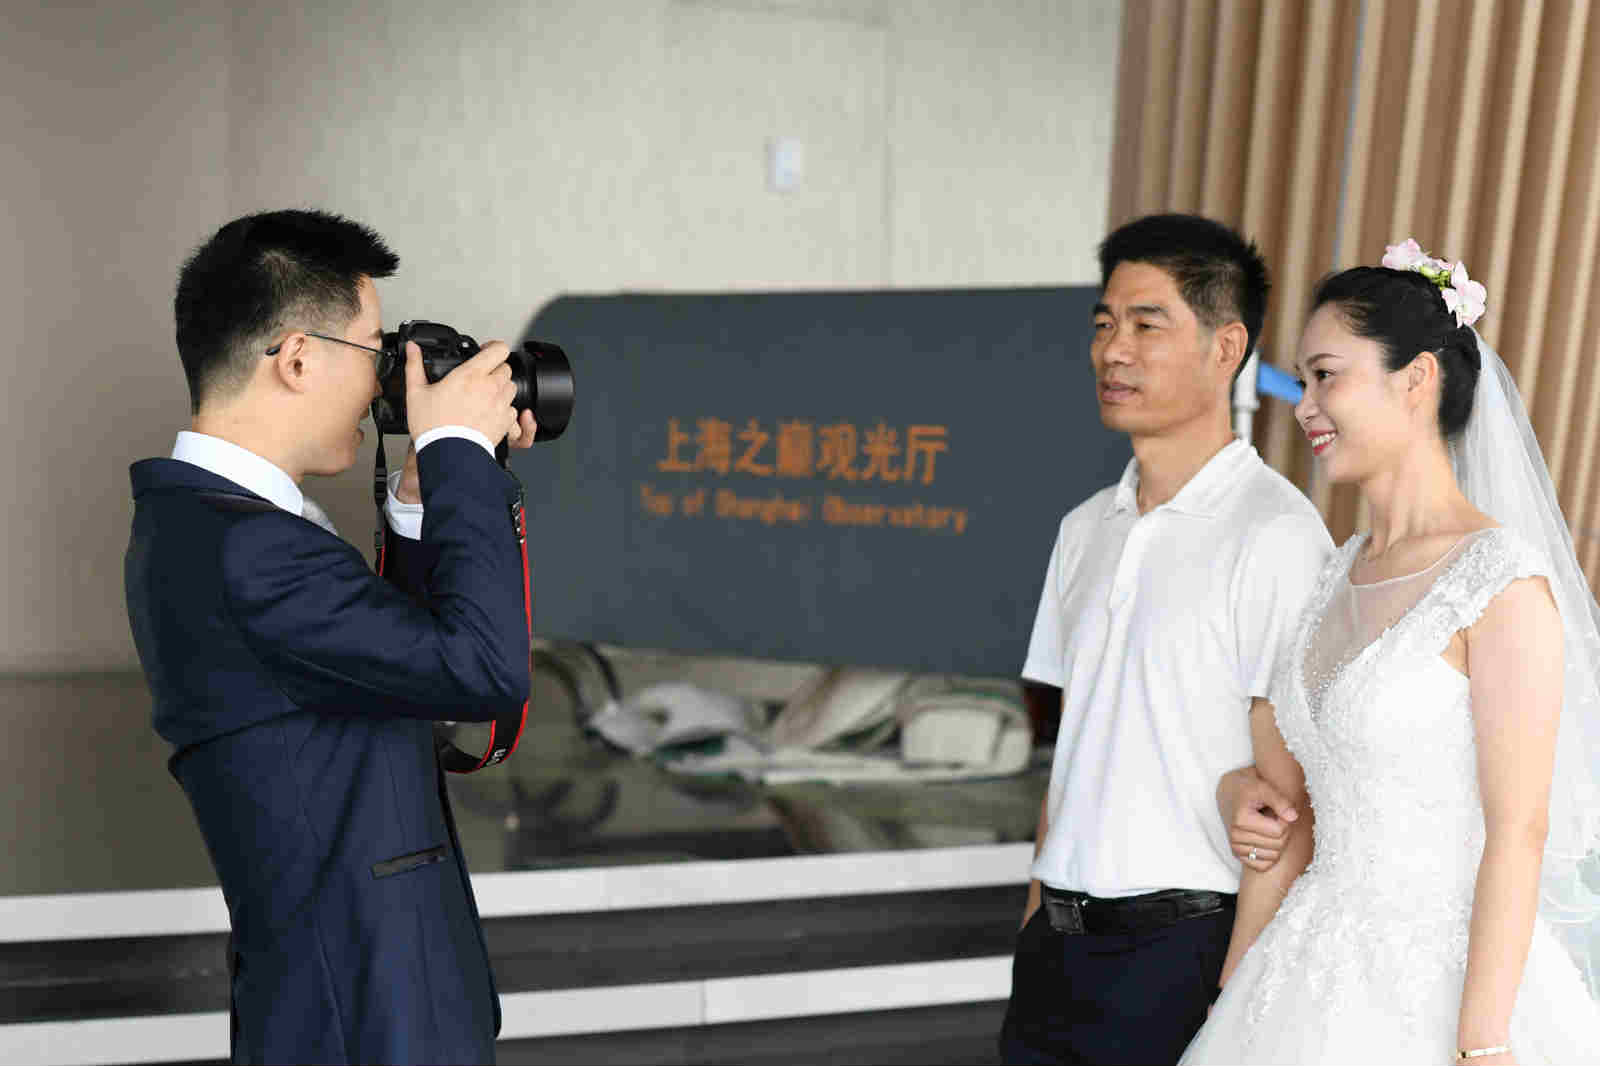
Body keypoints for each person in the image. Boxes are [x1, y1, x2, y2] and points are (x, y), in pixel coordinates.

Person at [124, 209, 540, 1064]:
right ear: (298, 358)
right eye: (376, 349)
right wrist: (460, 450)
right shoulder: (246, 549)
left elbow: (401, 667)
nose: (388, 380)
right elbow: (482, 670)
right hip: (362, 1021)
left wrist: (425, 493)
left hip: (361, 1003)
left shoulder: (215, 527)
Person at [1182, 244, 1600, 1064]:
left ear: (1417, 380)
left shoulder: (1500, 582)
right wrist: (1235, 980)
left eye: (1325, 377)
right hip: (1300, 968)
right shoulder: (1337, 571)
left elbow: (1520, 831)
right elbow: (1300, 791)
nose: (1304, 407)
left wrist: (1483, 1044)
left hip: (1449, 986)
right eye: (1300, 381)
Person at [997, 213, 1333, 1065]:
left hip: (1178, 954)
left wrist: (1232, 1004)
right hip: (1055, 949)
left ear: (1227, 348)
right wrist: (1035, 922)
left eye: (1147, 325)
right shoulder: (1084, 528)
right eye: (1104, 323)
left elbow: (1288, 803)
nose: (1114, 351)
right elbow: (1073, 758)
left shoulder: (1278, 533)